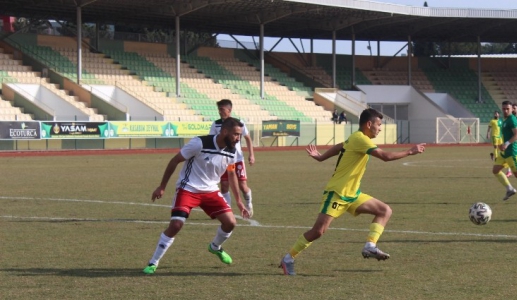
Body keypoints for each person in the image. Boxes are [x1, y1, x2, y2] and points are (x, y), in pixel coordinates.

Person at [279, 108, 426, 275]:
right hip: (337, 193)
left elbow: (340, 146)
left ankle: (370, 246)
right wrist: (409, 151)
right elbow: (385, 156)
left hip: (353, 195)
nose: (380, 128)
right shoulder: (361, 139)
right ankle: (288, 258)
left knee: (384, 210)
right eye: (378, 124)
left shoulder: (355, 138)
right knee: (318, 231)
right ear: (369, 124)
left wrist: (321, 157)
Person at [142, 118, 250, 274]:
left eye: (239, 135)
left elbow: (231, 173)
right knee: (176, 225)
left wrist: (239, 201)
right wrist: (162, 186)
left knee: (230, 223)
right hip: (188, 188)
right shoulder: (199, 143)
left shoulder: (232, 150)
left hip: (211, 191)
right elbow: (175, 161)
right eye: (235, 134)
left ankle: (215, 247)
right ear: (225, 132)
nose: (238, 138)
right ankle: (153, 262)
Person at [209, 99, 255, 216]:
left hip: (237, 159)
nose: (220, 112)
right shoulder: (216, 124)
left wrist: (251, 154)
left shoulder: (239, 123)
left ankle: (249, 203)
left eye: (222, 109)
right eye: (219, 109)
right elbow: (212, 140)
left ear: (229, 110)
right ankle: (228, 211)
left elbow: (248, 138)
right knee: (224, 186)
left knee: (242, 186)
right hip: (223, 159)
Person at [486, 111, 512, 178]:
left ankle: (493, 154)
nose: (496, 114)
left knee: (501, 148)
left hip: (500, 136)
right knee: (495, 147)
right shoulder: (492, 121)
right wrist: (488, 134)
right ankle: (496, 158)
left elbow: (502, 128)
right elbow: (489, 128)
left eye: (497, 113)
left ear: (498, 115)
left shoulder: (500, 121)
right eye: (495, 113)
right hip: (494, 135)